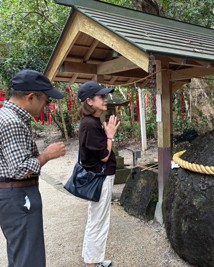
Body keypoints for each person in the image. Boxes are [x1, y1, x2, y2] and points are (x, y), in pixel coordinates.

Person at [0, 69, 66, 267]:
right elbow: (20, 169)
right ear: (30, 97)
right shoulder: (13, 122)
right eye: (46, 100)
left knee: (21, 252)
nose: (47, 106)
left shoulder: (8, 116)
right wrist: (47, 155)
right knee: (29, 257)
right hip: (18, 195)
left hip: (14, 195)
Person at [77, 81, 120, 267]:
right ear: (89, 101)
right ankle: (91, 263)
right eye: (101, 96)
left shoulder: (93, 122)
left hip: (98, 177)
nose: (105, 99)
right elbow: (103, 155)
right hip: (99, 177)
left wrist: (106, 132)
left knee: (97, 220)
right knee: (98, 222)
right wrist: (109, 135)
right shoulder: (89, 124)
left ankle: (94, 259)